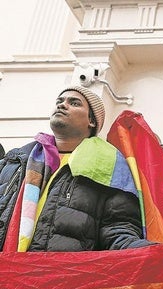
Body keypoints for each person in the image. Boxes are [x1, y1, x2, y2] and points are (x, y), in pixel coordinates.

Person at [0, 86, 150, 251]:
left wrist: (144, 250)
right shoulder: (16, 160)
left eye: (74, 103)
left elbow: (118, 228)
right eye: (59, 101)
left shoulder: (110, 167)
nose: (62, 105)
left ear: (92, 121)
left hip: (57, 273)